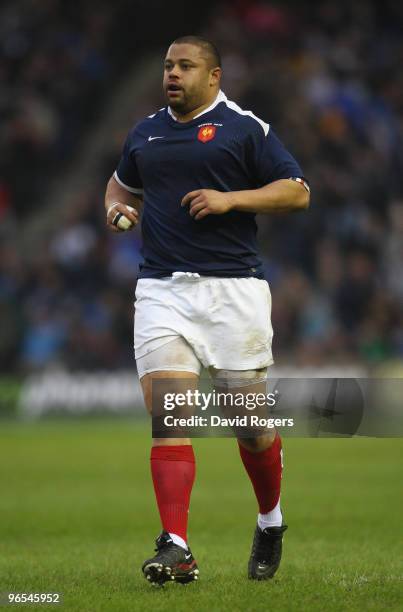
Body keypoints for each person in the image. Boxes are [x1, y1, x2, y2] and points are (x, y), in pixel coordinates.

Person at [104, 35, 310, 586]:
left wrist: (231, 199)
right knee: (170, 414)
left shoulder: (245, 128)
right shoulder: (144, 132)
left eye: (185, 66)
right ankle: (176, 545)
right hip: (162, 291)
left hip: (233, 292)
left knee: (250, 426)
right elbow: (120, 185)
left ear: (213, 76)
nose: (172, 74)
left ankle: (271, 519)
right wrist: (116, 208)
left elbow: (297, 192)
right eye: (168, 65)